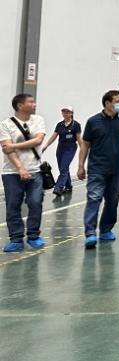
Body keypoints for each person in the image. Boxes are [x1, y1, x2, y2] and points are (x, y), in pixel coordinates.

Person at [78, 90, 119, 250]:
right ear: (107, 103)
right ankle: (90, 233)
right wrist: (80, 165)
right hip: (97, 168)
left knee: (112, 200)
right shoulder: (93, 122)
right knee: (94, 198)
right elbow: (85, 145)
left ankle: (106, 229)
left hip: (117, 168)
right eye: (117, 101)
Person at [1, 94, 46, 252]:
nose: (34, 104)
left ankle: (33, 235)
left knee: (35, 202)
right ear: (20, 105)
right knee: (13, 205)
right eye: (31, 102)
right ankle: (16, 238)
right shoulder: (6, 124)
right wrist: (20, 168)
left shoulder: (38, 120)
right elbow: (7, 150)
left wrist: (14, 146)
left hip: (35, 170)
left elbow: (38, 140)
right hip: (11, 173)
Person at [41, 105, 82, 196]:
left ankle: (59, 187)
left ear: (71, 113)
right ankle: (68, 185)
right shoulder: (59, 125)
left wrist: (83, 149)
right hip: (60, 148)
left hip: (70, 148)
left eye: (67, 112)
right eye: (63, 111)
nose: (65, 113)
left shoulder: (76, 125)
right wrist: (46, 145)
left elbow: (79, 138)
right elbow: (54, 136)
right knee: (63, 168)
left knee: (64, 167)